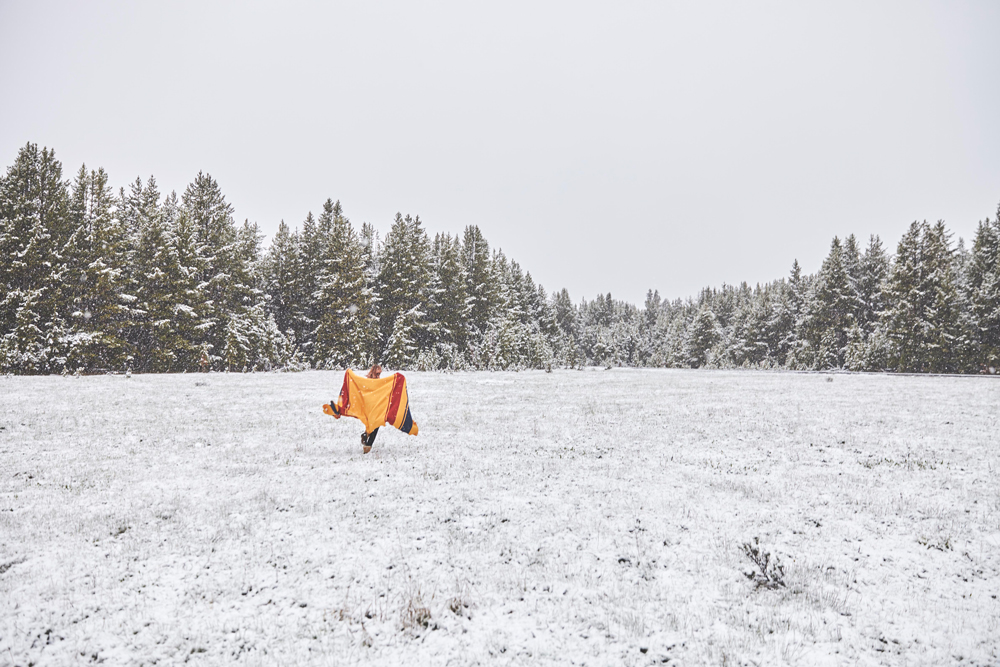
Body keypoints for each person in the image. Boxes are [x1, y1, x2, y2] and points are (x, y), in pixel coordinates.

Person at [322, 364, 419, 454]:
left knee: (375, 422)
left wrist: (399, 379)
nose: (378, 376)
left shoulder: (378, 383)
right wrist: (350, 374)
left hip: (373, 409)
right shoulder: (368, 382)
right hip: (368, 408)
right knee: (375, 423)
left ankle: (366, 437)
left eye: (379, 374)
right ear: (372, 372)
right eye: (377, 373)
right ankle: (367, 443)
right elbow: (359, 388)